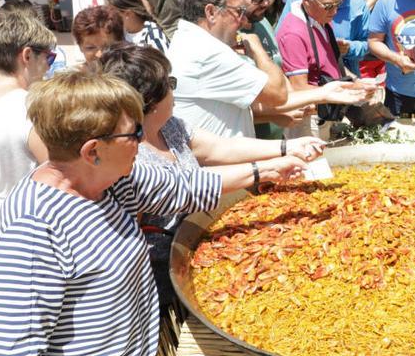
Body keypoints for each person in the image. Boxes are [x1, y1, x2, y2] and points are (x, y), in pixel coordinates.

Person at [0, 71, 227, 355]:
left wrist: (271, 168)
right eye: (135, 132)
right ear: (92, 152)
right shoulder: (33, 228)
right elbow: (13, 349)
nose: (142, 139)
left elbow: (182, 186)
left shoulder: (111, 182)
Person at [98, 43, 312, 307]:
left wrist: (285, 147)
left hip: (202, 247)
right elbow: (185, 188)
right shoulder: (127, 155)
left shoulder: (170, 126)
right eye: (170, 83)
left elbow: (219, 148)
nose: (175, 91)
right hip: (162, 274)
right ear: (151, 101)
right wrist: (264, 170)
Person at [224, 0, 367, 139]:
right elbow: (235, 108)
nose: (267, 3)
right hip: (251, 142)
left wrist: (353, 83)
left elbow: (281, 81)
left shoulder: (263, 23)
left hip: (280, 133)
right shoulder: (222, 40)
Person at [0, 12, 54, 332]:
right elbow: (61, 172)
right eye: (47, 57)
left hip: (0, 227)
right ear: (26, 56)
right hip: (40, 232)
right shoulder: (30, 108)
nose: (48, 65)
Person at [167, 0, 288, 138]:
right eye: (238, 11)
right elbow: (278, 93)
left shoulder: (189, 41)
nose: (242, 20)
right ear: (211, 13)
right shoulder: (208, 52)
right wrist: (257, 48)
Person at [276, 0, 374, 138]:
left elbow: (332, 64)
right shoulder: (293, 33)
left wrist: (356, 81)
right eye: (328, 6)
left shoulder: (320, 20)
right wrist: (350, 90)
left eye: (337, 4)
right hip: (309, 119)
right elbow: (299, 87)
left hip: (327, 110)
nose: (335, 11)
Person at [105, 0, 170, 53]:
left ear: (128, 13)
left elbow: (164, 62)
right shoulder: (118, 34)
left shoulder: (153, 36)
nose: (109, 18)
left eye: (112, 14)